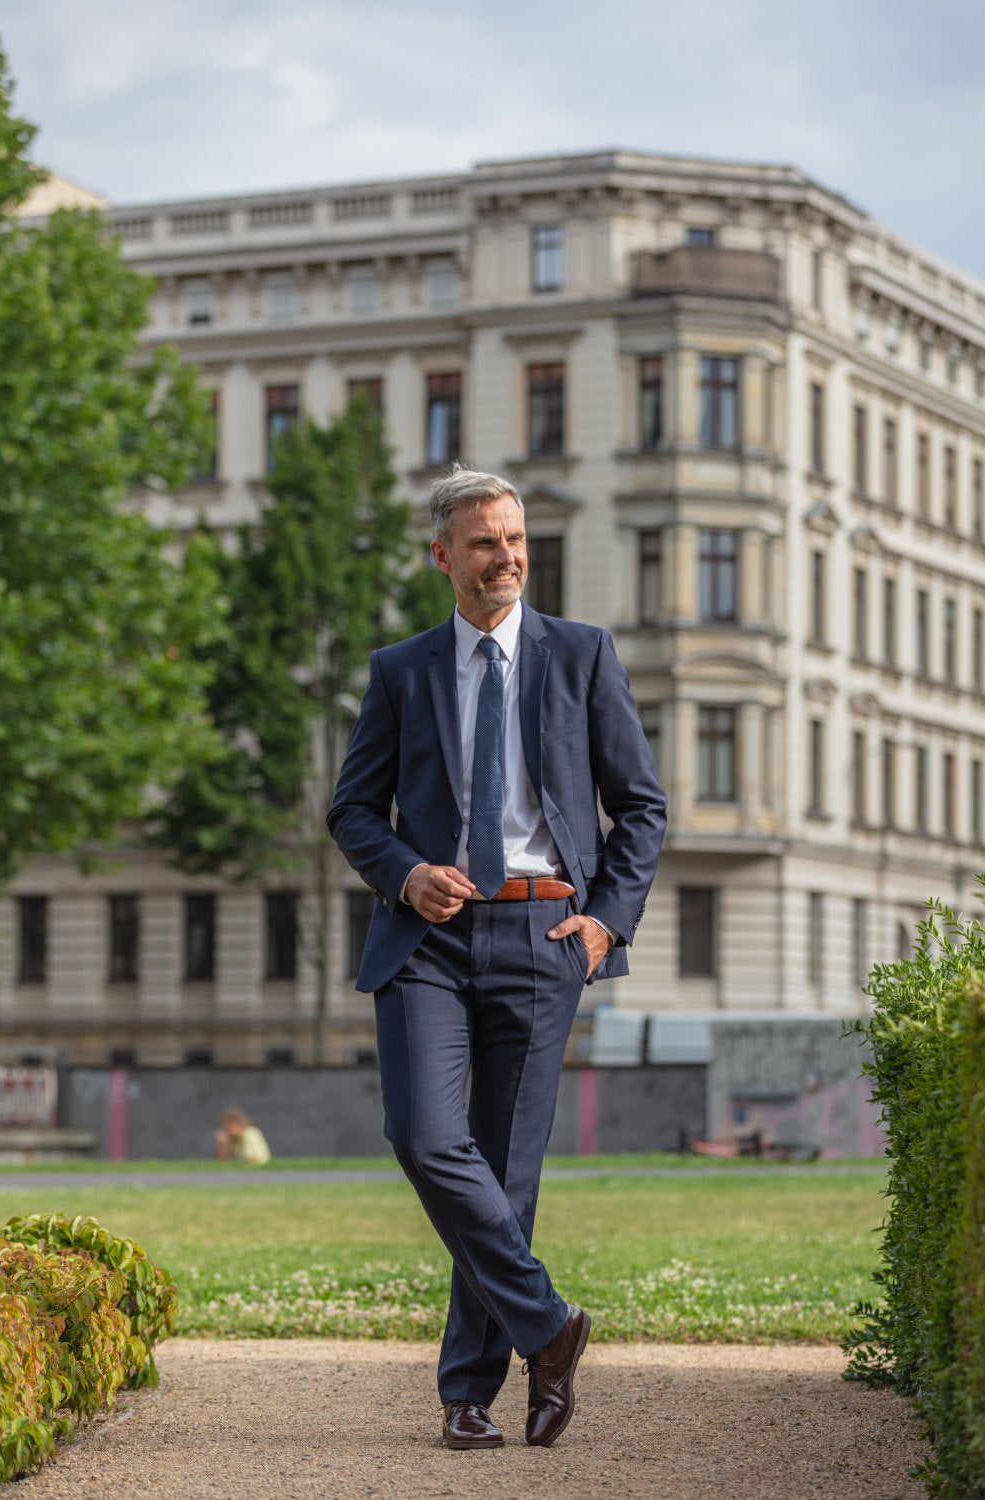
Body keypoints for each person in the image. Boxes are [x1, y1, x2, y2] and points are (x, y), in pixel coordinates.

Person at [328, 466, 666, 1450]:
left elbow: (638, 807)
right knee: (425, 1136)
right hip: (428, 936)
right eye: (484, 542)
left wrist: (606, 922)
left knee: (507, 1176)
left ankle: (469, 1394)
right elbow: (353, 808)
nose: (506, 557)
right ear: (443, 556)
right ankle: (549, 1328)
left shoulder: (582, 656)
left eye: (514, 540)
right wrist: (400, 871)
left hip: (542, 933)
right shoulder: (402, 671)